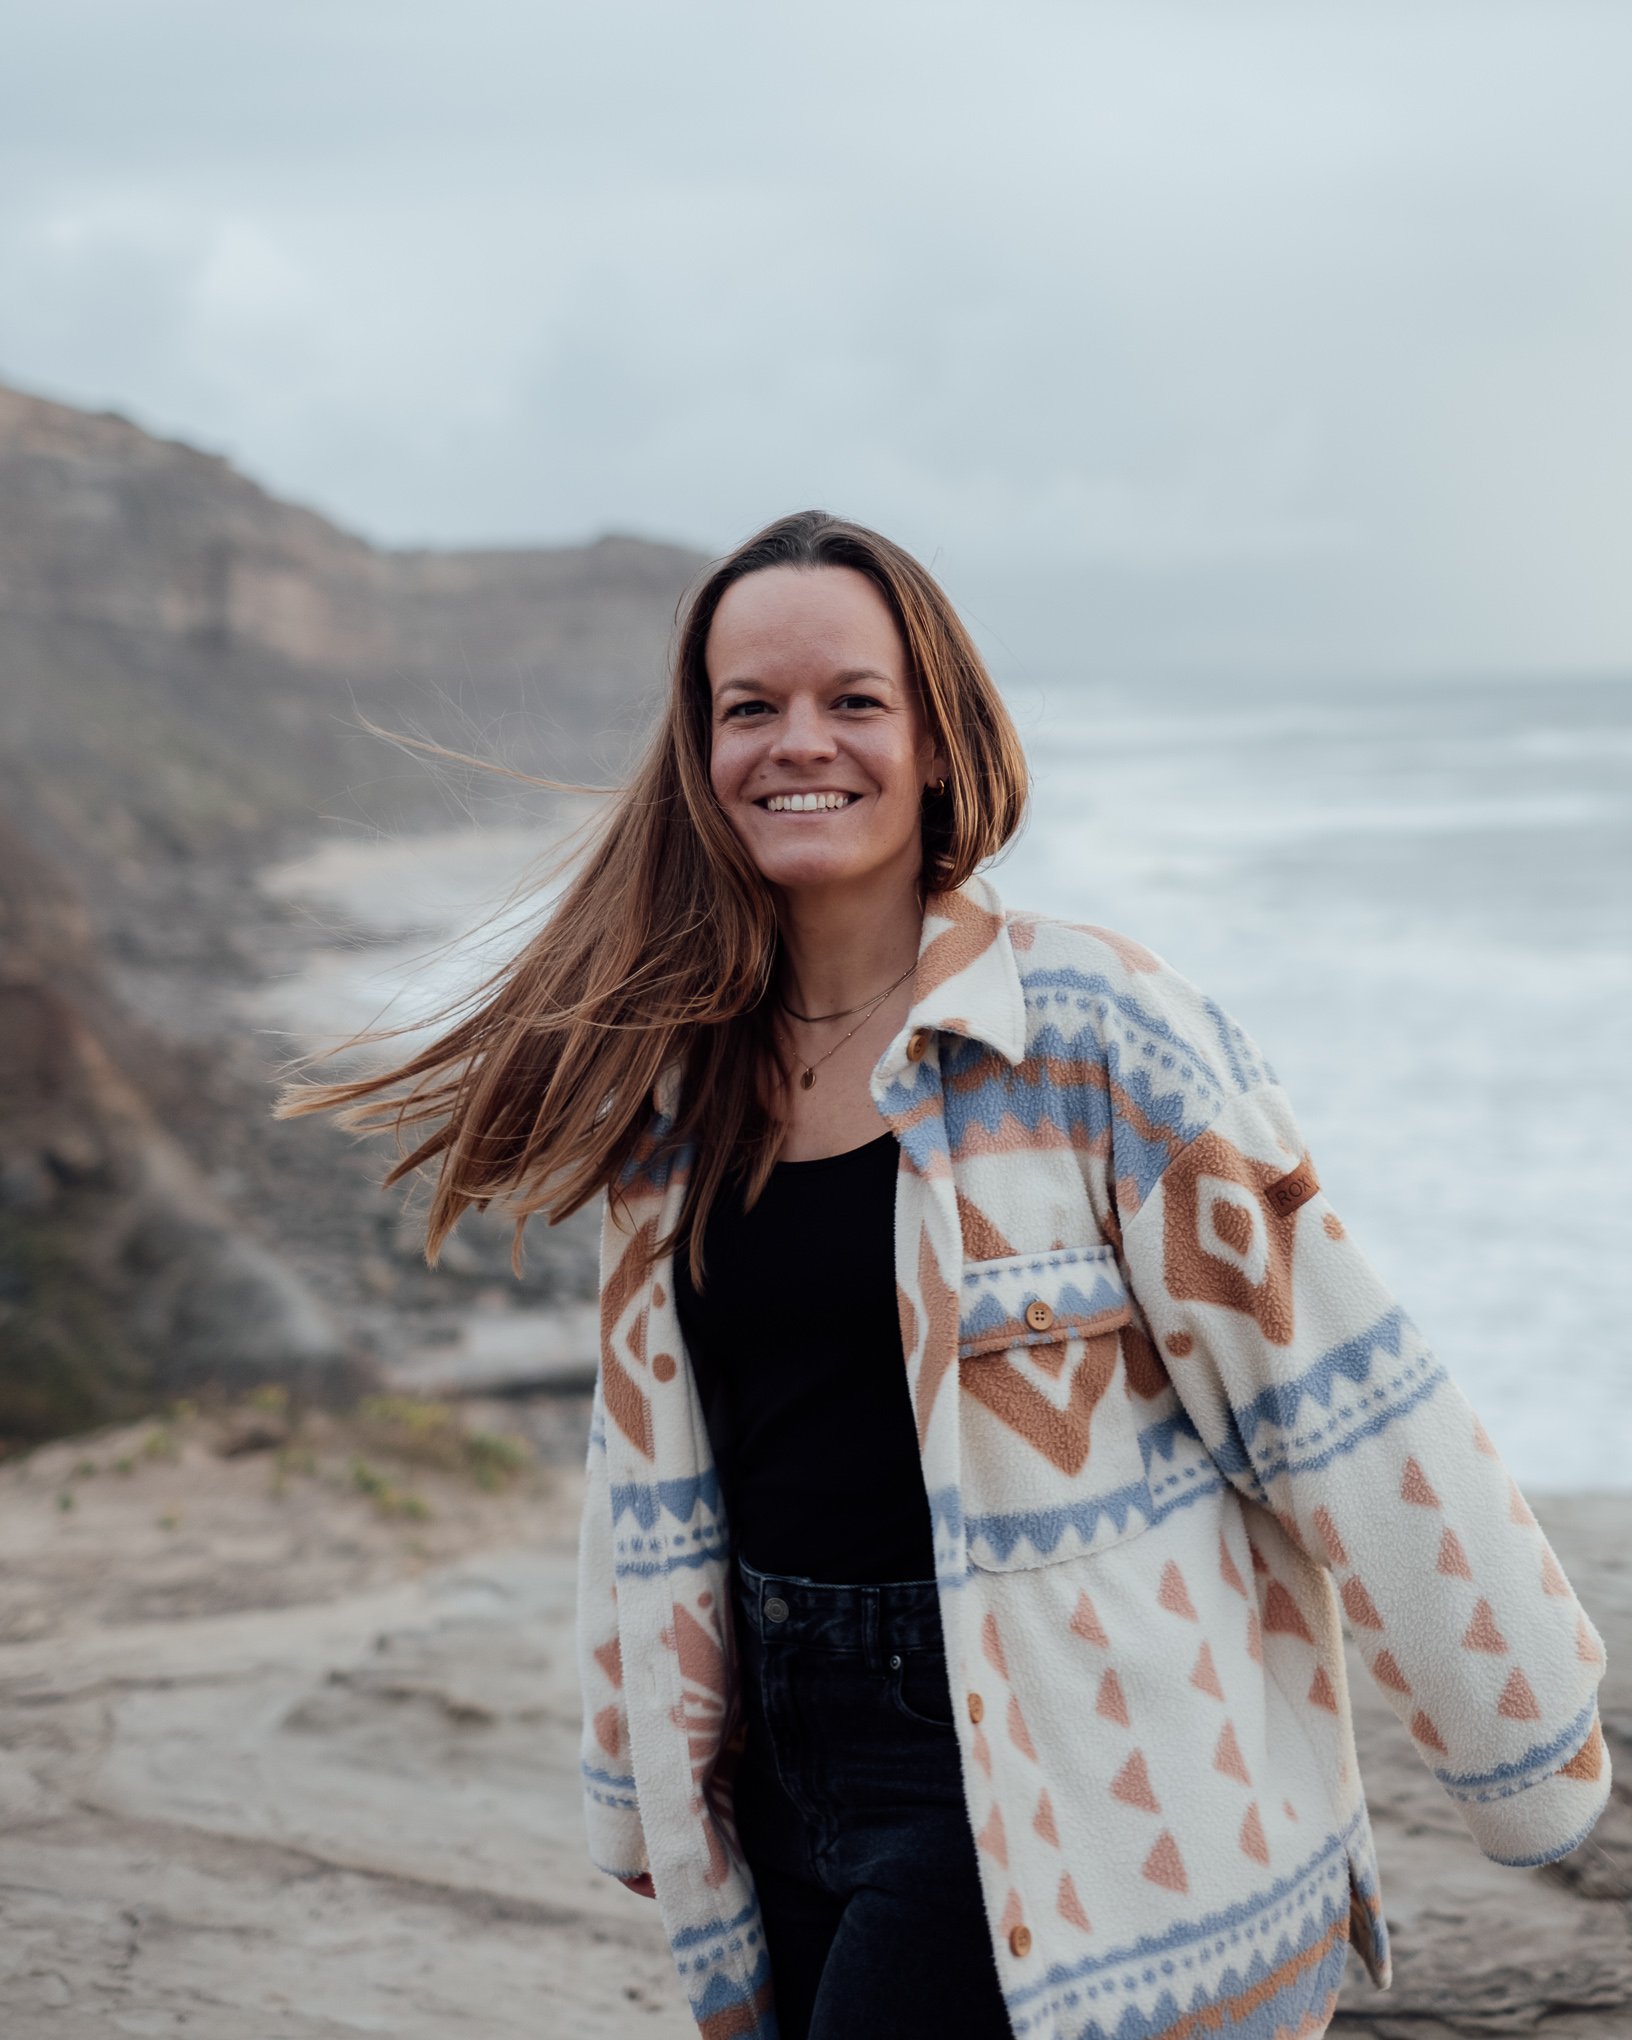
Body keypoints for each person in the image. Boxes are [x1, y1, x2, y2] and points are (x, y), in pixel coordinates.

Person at [276, 510, 1612, 2040]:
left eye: (854, 701)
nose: (801, 745)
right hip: (776, 1755)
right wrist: (639, 1763)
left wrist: (1525, 1741)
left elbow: (1327, 1378)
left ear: (933, 738)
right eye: (749, 708)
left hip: (1037, 1745)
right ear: (700, 751)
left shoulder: (1095, 1034)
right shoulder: (675, 1078)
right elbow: (650, 1453)